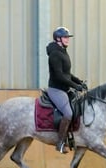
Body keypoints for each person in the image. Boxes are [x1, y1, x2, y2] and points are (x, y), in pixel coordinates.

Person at [46, 26, 86, 154]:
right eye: (65, 37)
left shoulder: (62, 51)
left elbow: (67, 73)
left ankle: (72, 137)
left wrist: (78, 81)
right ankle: (60, 143)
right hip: (56, 89)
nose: (67, 40)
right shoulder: (55, 54)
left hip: (65, 88)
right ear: (58, 39)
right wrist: (75, 86)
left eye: (68, 37)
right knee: (68, 113)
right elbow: (59, 76)